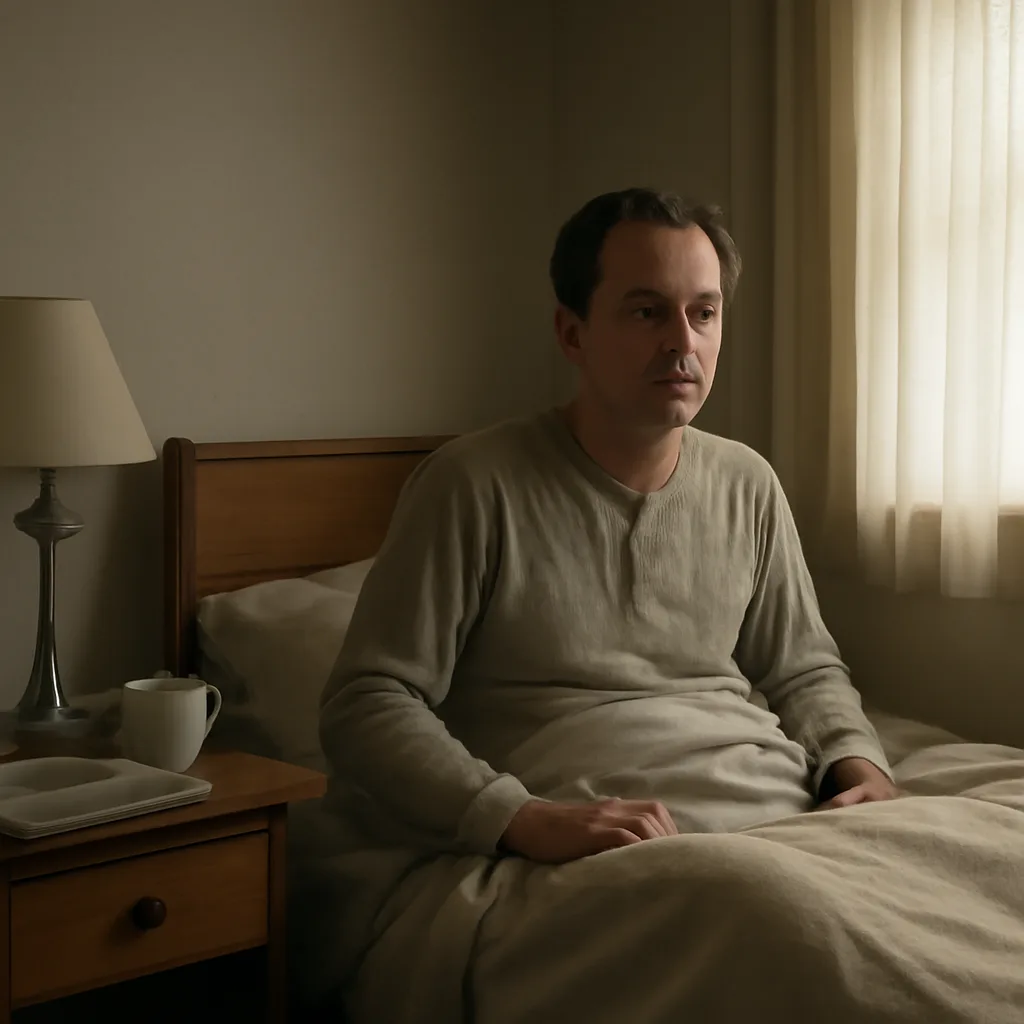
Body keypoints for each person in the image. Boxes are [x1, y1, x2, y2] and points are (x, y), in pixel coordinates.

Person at [314, 187, 898, 1020]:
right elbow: (366, 705)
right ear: (572, 333)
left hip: (783, 816)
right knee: (784, 929)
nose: (682, 344)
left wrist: (858, 766)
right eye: (646, 312)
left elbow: (803, 666)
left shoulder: (747, 484)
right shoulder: (473, 484)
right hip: (615, 837)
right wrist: (519, 819)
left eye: (703, 314)